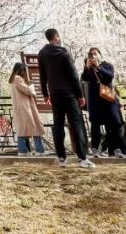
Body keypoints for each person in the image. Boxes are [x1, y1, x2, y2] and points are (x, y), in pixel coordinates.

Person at [38, 28, 92, 168]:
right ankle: (82, 158)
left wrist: (45, 94)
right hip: (69, 94)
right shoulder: (64, 53)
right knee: (76, 124)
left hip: (55, 94)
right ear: (56, 37)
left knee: (58, 125)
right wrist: (80, 95)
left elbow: (42, 76)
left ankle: (62, 158)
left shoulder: (42, 54)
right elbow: (74, 76)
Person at [81, 48, 126, 158]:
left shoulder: (107, 65)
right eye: (91, 54)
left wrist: (98, 67)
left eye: (95, 54)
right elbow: (83, 78)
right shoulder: (88, 68)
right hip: (94, 100)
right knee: (95, 124)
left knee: (114, 124)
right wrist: (87, 67)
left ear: (100, 55)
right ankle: (95, 148)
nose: (93, 56)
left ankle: (116, 148)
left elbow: (109, 76)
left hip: (108, 99)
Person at [9, 63, 46, 156]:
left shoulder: (13, 79)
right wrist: (32, 87)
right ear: (21, 70)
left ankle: (23, 150)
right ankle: (39, 150)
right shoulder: (17, 78)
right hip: (25, 107)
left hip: (21, 107)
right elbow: (27, 90)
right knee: (35, 126)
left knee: (22, 128)